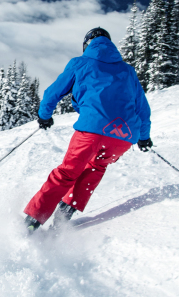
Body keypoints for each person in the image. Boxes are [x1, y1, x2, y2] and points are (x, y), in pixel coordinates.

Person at [23, 27, 152, 233]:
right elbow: (142, 108)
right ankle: (64, 217)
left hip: (92, 131)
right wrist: (144, 138)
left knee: (67, 173)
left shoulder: (80, 63)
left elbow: (52, 93)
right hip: (124, 137)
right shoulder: (128, 70)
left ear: (87, 45)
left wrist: (44, 116)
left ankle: (31, 222)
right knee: (95, 168)